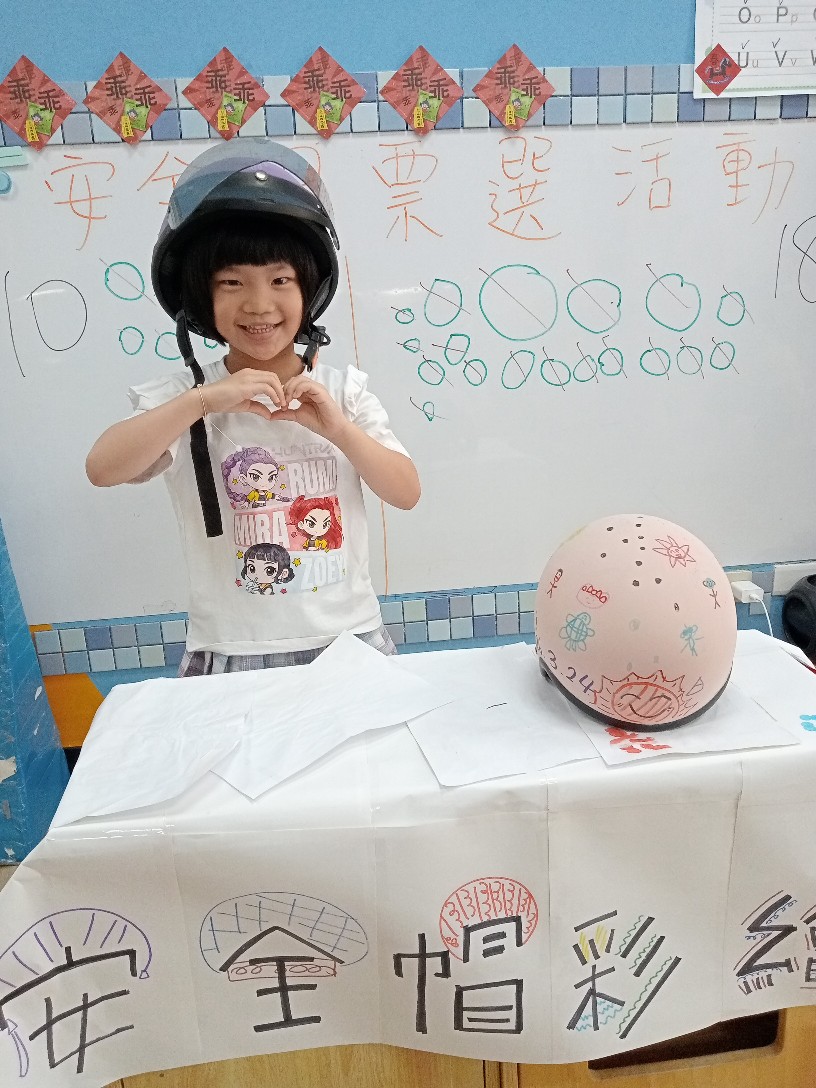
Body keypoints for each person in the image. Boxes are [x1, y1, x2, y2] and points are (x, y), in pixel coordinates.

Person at [86, 139, 420, 675]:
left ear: (309, 290)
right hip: (231, 649)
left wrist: (338, 428)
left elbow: (405, 492)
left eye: (280, 280)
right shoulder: (186, 397)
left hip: (349, 641)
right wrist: (203, 400)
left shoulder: (344, 391)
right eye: (232, 282)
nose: (259, 304)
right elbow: (103, 468)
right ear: (203, 296)